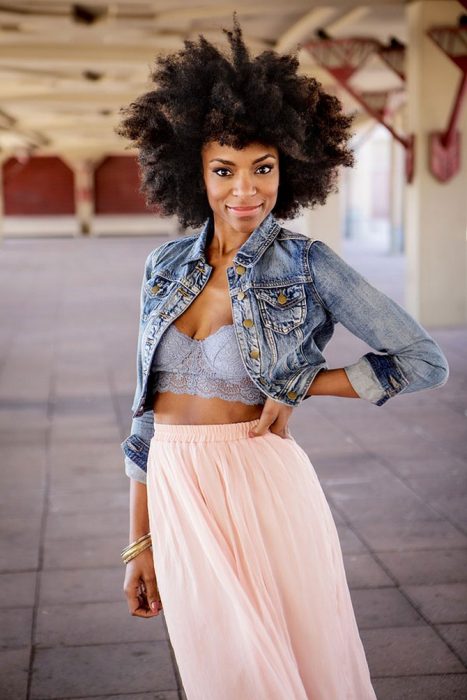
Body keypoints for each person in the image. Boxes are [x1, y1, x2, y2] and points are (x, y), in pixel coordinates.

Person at [116, 16, 449, 700]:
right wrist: (139, 544)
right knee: (219, 675)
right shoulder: (161, 267)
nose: (245, 190)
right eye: (223, 169)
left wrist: (305, 383)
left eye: (262, 168)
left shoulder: (308, 265)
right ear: (192, 172)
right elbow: (143, 423)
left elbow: (421, 359)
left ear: (290, 168)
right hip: (177, 488)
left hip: (260, 479)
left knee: (284, 668)